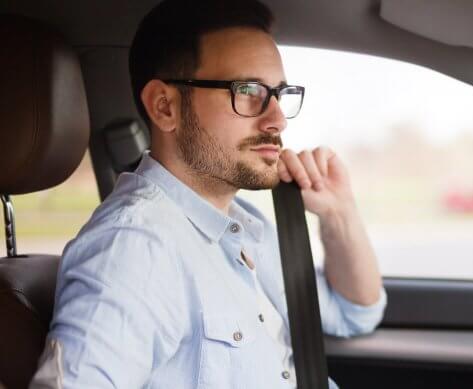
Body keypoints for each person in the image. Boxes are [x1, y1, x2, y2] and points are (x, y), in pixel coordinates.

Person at [30, 1, 384, 387]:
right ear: (164, 107)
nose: (278, 118)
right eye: (248, 90)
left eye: (280, 93)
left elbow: (354, 313)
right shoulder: (135, 246)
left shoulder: (242, 223)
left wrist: (339, 213)